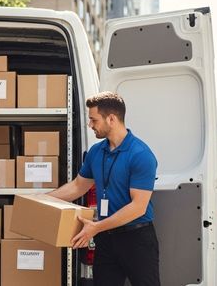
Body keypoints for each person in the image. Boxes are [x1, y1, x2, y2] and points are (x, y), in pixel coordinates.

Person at [48, 91, 160, 286]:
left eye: (94, 120)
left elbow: (138, 207)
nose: (90, 125)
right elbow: (77, 186)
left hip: (136, 239)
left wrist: (96, 227)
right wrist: (42, 199)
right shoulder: (95, 152)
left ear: (111, 119)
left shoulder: (141, 154)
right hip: (106, 240)